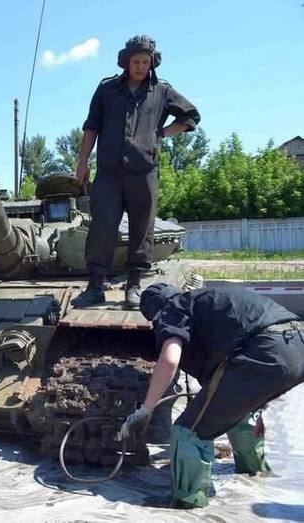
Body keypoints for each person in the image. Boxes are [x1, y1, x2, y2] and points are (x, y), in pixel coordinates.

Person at [119, 283, 304, 509]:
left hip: (266, 352)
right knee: (240, 409)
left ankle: (188, 502)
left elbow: (169, 359)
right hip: (297, 344)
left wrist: (146, 410)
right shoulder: (209, 298)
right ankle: (253, 471)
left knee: (189, 431)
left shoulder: (173, 308)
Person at [72, 35, 200, 309]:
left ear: (153, 63)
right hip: (108, 173)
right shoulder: (107, 89)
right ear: (126, 62)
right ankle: (95, 286)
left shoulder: (162, 91)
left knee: (143, 229)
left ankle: (133, 286)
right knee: (102, 227)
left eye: (146, 62)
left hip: (144, 172)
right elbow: (91, 126)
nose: (141, 67)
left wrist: (163, 133)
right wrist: (83, 162)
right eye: (136, 61)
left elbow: (190, 116)